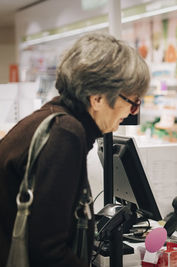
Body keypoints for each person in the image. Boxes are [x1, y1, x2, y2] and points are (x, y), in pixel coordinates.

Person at [0, 32, 150, 267]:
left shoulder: (51, 118)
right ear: (98, 98)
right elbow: (47, 252)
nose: (131, 112)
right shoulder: (65, 135)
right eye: (132, 102)